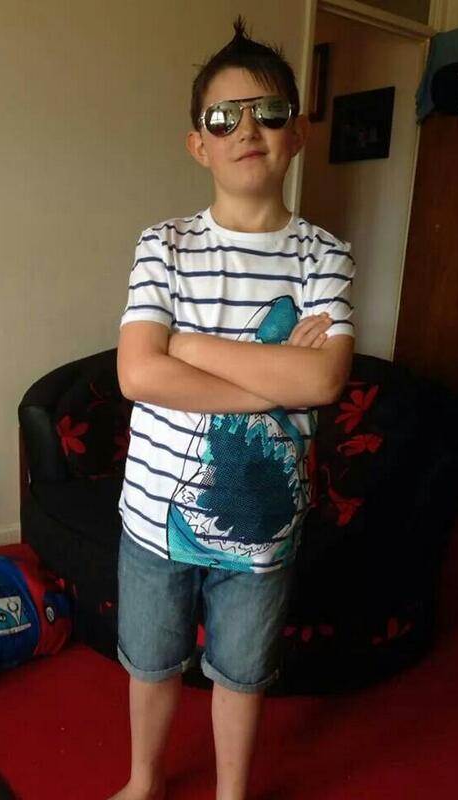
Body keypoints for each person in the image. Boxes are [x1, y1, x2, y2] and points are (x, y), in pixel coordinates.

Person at [109, 15, 355, 800]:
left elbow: (324, 382)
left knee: (243, 673)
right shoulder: (164, 245)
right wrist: (274, 380)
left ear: (297, 133)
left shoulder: (325, 256)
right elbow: (138, 373)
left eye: (269, 111)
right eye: (224, 116)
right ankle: (144, 781)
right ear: (199, 143)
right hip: (155, 513)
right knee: (150, 662)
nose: (248, 128)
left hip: (264, 527)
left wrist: (186, 346)